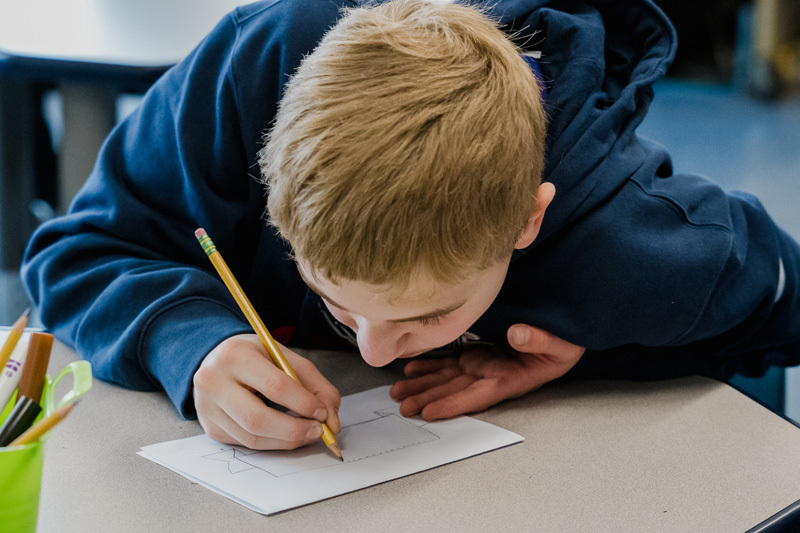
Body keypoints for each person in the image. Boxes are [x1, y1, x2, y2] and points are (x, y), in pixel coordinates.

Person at [21, 0, 800, 451]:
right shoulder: (250, 72)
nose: (369, 347)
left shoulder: (631, 239)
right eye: (328, 290)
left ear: (529, 221)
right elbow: (76, 248)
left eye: (426, 313)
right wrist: (190, 341)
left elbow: (780, 305)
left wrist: (599, 354)